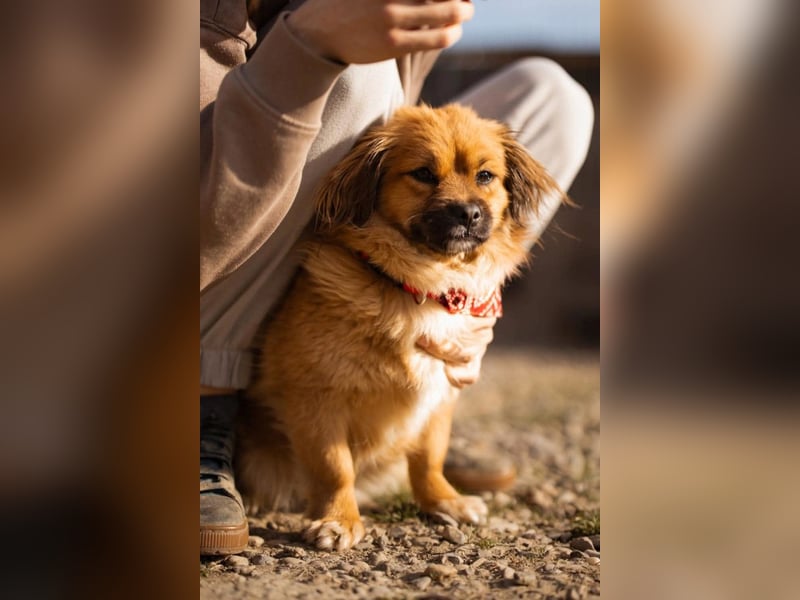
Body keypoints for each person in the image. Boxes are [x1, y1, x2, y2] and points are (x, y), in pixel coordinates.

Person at [200, 0, 594, 555]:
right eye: (428, 178)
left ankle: (419, 425)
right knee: (358, 75)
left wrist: (477, 296)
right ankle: (206, 405)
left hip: (379, 156)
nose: (464, 202)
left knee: (556, 96)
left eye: (484, 178)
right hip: (213, 172)